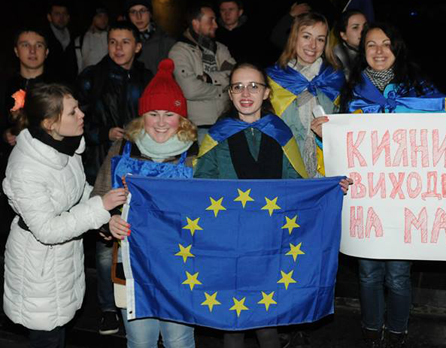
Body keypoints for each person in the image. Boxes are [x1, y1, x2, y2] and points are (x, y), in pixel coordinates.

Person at [194, 62, 351, 348]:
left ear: (266, 93)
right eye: (238, 86)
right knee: (233, 324)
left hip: (270, 242)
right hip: (231, 242)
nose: (246, 92)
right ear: (229, 94)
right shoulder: (217, 136)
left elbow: (297, 184)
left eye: (254, 86)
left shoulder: (280, 133)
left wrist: (329, 189)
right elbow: (200, 187)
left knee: (267, 323)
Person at [312, 22, 446, 348]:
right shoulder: (351, 92)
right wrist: (326, 135)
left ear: (396, 47)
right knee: (368, 273)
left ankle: (397, 333)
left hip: (404, 204)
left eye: (386, 43)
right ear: (363, 51)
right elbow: (345, 148)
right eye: (371, 44)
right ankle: (371, 331)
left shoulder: (421, 89)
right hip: (367, 201)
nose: (379, 51)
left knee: (399, 274)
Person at [2, 83, 127, 348]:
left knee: (57, 334)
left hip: (63, 259)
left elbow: (78, 190)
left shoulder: (65, 147)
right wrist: (99, 208)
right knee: (46, 338)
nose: (82, 114)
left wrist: (106, 215)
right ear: (50, 123)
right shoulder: (26, 168)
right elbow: (47, 229)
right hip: (38, 267)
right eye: (72, 112)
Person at [93, 58, 197, 348]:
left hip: (180, 264)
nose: (161, 123)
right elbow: (97, 199)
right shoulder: (124, 148)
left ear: (182, 119)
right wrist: (107, 221)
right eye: (153, 114)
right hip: (132, 265)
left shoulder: (197, 153)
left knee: (179, 340)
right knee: (140, 341)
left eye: (169, 114)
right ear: (142, 116)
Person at [76, 20, 152, 336]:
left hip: (141, 169)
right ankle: (108, 309)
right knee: (106, 244)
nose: (118, 48)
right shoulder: (92, 77)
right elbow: (76, 122)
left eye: (125, 41)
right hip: (100, 168)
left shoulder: (148, 79)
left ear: (137, 46)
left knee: (138, 238)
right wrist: (102, 133)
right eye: (112, 41)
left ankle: (138, 303)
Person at [266, 11, 345, 178]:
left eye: (320, 39)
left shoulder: (334, 79)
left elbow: (345, 130)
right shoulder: (272, 79)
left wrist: (329, 133)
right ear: (294, 37)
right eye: (307, 36)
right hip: (284, 168)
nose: (313, 45)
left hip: (325, 169)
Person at [168, 2, 236, 144]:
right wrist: (222, 90)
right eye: (211, 20)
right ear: (196, 23)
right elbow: (190, 90)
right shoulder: (179, 52)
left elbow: (235, 77)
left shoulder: (221, 49)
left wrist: (208, 78)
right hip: (198, 129)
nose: (216, 25)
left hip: (227, 124)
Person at [125, 0, 176, 76]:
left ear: (150, 13)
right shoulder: (122, 42)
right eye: (133, 12)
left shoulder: (167, 42)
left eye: (142, 11)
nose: (138, 16)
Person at [45, 1, 78, 86]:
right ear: (49, 17)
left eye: (64, 14)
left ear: (68, 17)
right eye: (57, 14)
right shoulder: (43, 38)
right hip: (50, 87)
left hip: (70, 87)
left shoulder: (75, 36)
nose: (61, 17)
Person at [215, 0, 257, 65]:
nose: (227, 14)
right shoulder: (214, 33)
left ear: (240, 12)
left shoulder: (252, 33)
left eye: (231, 9)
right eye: (223, 10)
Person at [332, 9, 367, 80]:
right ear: (343, 35)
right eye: (355, 27)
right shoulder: (335, 57)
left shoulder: (373, 50)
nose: (363, 31)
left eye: (365, 26)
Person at [75, 3, 109, 73]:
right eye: (99, 16)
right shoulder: (81, 40)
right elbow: (79, 66)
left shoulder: (113, 37)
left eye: (105, 16)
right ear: (93, 18)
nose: (103, 19)